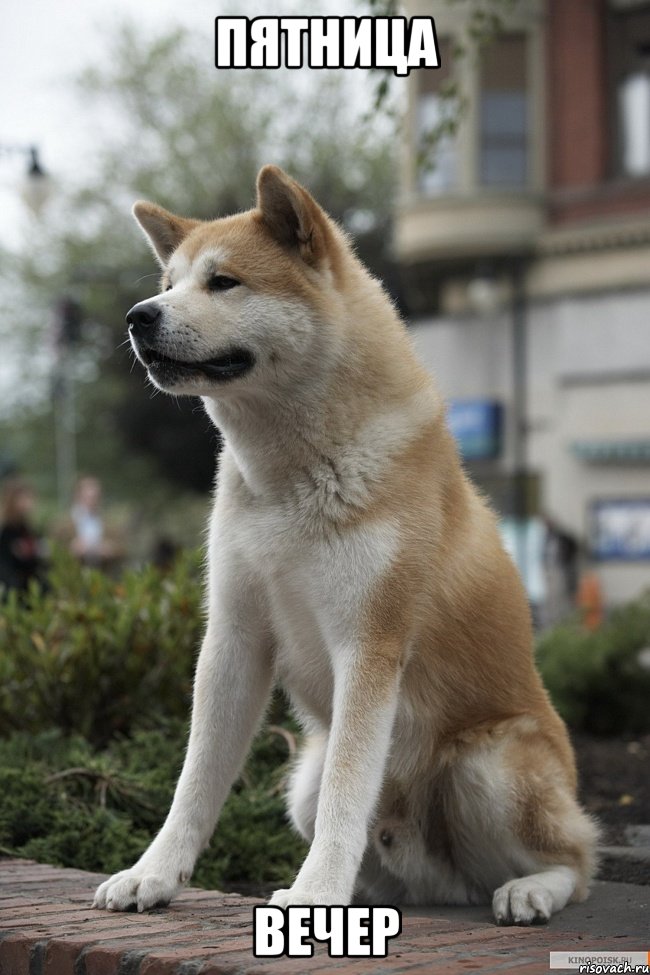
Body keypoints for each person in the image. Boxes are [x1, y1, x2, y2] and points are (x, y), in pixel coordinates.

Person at [0, 477, 46, 593]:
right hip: (12, 587)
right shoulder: (6, 529)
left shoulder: (28, 528)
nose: (30, 503)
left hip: (30, 585)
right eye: (25, 498)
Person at [69, 476, 121, 568]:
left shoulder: (110, 524)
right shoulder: (63, 524)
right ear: (77, 496)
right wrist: (72, 549)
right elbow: (52, 549)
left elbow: (123, 548)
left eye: (95, 497)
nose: (91, 501)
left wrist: (111, 549)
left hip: (103, 573)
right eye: (87, 497)